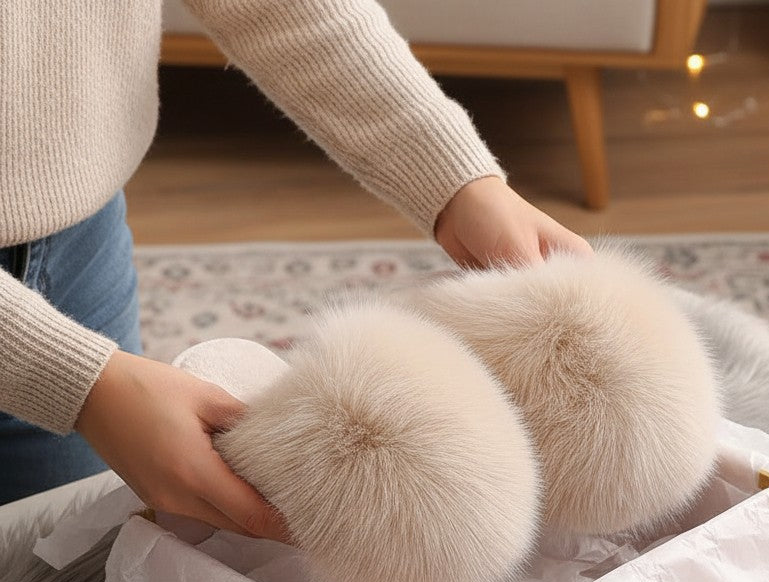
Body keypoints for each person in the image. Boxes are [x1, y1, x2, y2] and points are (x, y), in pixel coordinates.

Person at [0, 0, 591, 537]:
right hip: (63, 336)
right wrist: (74, 381)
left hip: (78, 237)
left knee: (66, 563)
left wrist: (459, 182)